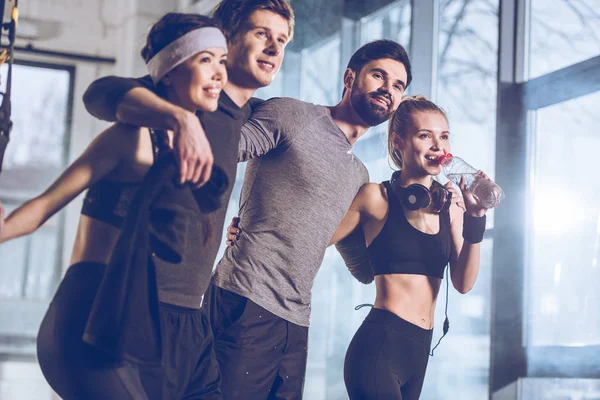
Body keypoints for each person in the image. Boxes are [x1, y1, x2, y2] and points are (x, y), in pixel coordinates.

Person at [0, 13, 228, 399]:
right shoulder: (129, 139)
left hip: (125, 320)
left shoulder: (190, 154)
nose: (219, 73)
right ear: (169, 71)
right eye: (205, 59)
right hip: (83, 315)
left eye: (222, 61)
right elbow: (43, 207)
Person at [210, 39, 411, 399]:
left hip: (296, 320)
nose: (388, 90)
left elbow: (363, 268)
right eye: (379, 76)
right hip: (244, 297)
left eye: (398, 86)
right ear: (350, 77)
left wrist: (415, 223)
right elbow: (222, 150)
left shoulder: (359, 177)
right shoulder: (294, 115)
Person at [330, 96, 491, 399]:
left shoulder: (451, 206)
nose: (437, 146)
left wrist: (475, 219)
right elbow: (316, 238)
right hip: (378, 348)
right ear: (398, 142)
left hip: (419, 352)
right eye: (424, 135)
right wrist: (245, 234)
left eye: (443, 136)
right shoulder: (376, 198)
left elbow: (463, 283)